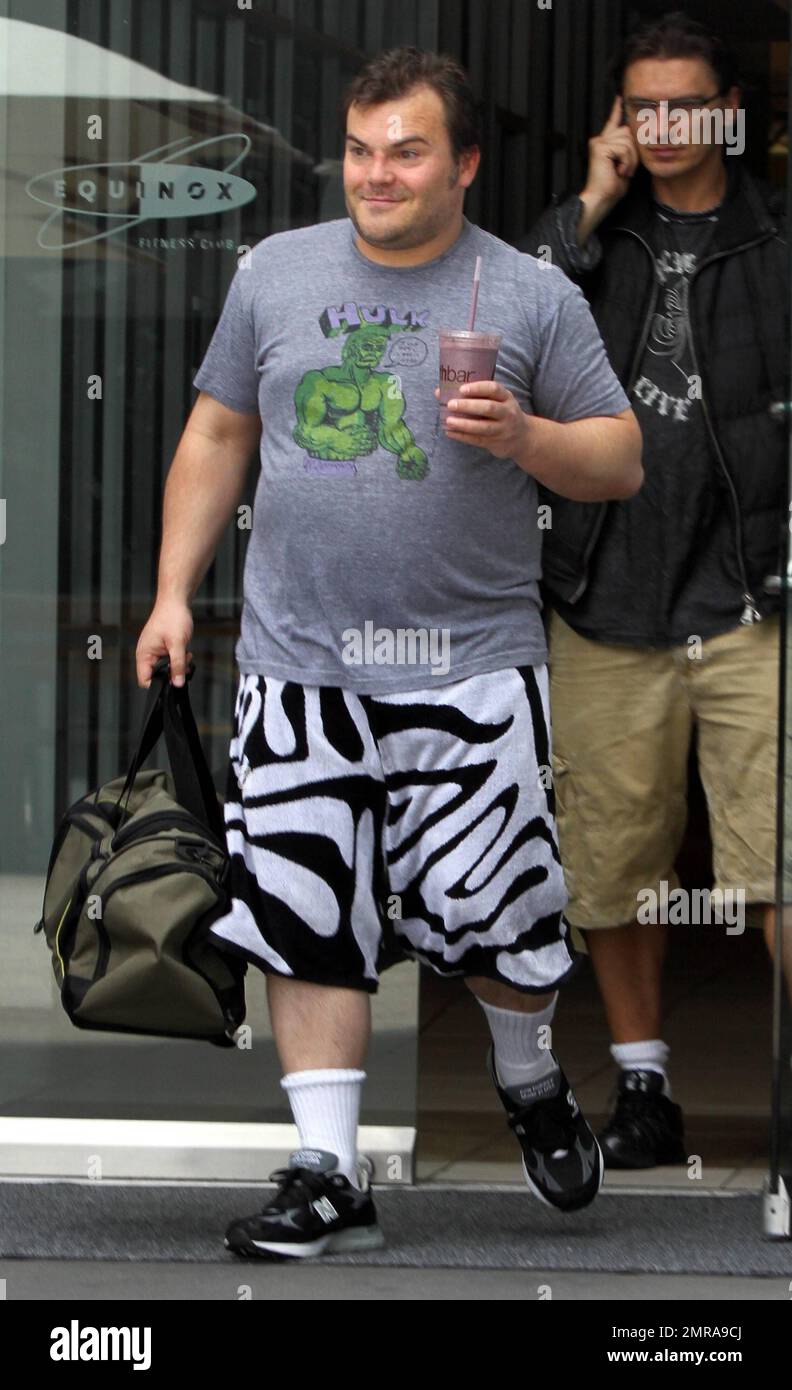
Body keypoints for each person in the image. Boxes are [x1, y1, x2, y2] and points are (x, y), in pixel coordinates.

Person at [136, 45, 642, 1259]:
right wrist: (168, 594)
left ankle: (528, 1078)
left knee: (498, 906)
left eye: (406, 151)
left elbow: (620, 458)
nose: (378, 174)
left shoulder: (527, 294)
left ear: (462, 163)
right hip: (299, 667)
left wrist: (524, 435)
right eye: (362, 151)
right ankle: (327, 1169)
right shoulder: (276, 272)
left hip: (469, 665)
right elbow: (217, 430)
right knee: (305, 908)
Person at [519, 11, 788, 1170]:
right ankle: (642, 1087)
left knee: (779, 860)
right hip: (605, 591)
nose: (666, 128)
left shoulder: (778, 236)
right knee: (614, 863)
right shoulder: (590, 239)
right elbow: (510, 323)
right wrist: (590, 195)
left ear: (729, 110)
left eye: (688, 105)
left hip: (753, 597)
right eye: (644, 108)